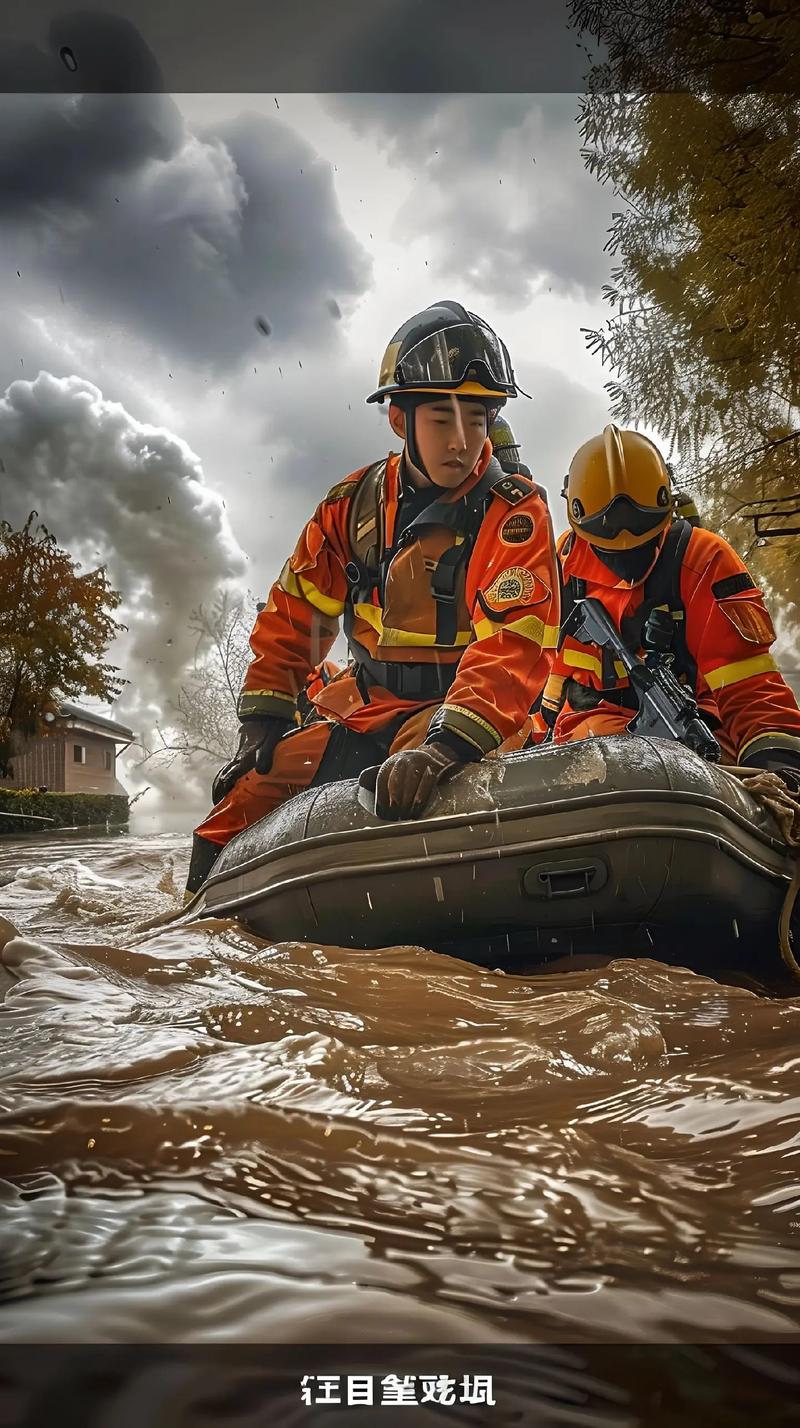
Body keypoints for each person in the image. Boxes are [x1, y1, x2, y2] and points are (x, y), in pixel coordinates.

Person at [185, 300, 559, 895]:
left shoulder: (515, 513)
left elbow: (515, 646)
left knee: (432, 813)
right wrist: (261, 722)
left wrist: (444, 749)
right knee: (233, 814)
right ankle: (194, 930)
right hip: (362, 705)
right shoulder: (350, 506)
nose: (461, 441)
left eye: (478, 419)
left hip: (458, 717)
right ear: (399, 420)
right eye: (441, 418)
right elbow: (294, 616)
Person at [531, 423, 800, 775]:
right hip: (588, 736)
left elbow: (749, 687)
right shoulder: (562, 567)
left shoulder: (703, 560)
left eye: (643, 541)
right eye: (606, 549)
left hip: (700, 727)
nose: (625, 558)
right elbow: (530, 668)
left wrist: (781, 769)